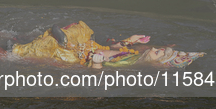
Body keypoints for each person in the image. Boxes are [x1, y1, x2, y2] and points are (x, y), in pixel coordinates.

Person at [12, 21, 205, 69]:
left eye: (157, 53)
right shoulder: (133, 54)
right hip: (93, 46)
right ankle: (60, 38)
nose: (154, 49)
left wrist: (96, 64)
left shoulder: (127, 65)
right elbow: (114, 49)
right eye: (158, 49)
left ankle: (15, 48)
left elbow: (100, 73)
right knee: (79, 30)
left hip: (80, 58)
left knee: (52, 44)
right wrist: (131, 40)